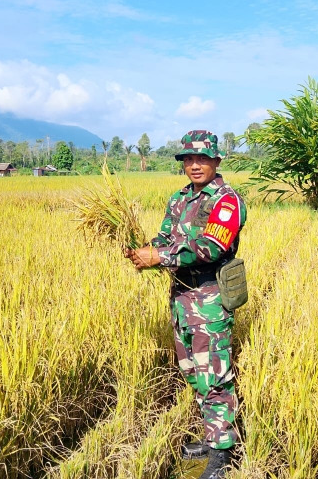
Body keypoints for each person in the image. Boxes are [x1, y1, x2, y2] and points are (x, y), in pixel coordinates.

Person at [125, 130, 246, 479]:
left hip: (209, 299)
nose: (194, 165)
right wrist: (140, 248)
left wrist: (157, 256)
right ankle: (212, 438)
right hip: (180, 298)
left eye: (202, 159)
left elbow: (210, 247)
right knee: (193, 370)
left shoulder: (226, 201)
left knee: (215, 375)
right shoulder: (178, 199)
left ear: (217, 161)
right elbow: (164, 238)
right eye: (188, 160)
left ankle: (223, 454)